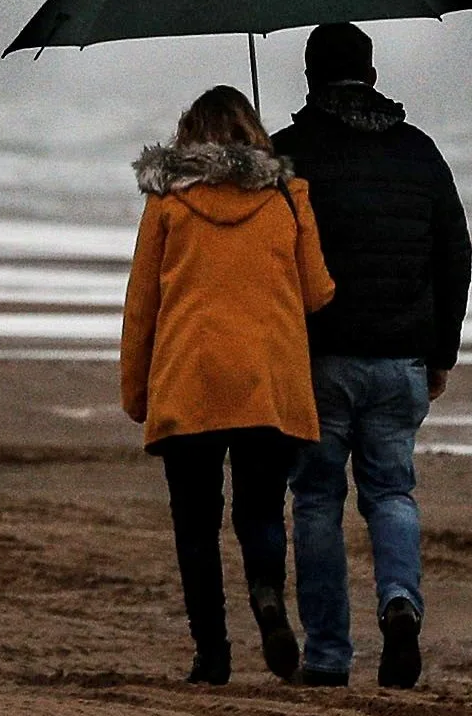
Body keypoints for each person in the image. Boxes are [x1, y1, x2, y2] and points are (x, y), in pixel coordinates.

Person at [272, 21, 471, 690]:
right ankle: (400, 603)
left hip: (318, 357)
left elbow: (262, 262)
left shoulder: (289, 154)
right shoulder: (419, 152)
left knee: (318, 499)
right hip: (400, 358)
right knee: (392, 491)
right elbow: (454, 254)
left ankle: (328, 655)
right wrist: (441, 348)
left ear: (308, 79)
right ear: (373, 75)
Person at [118, 84, 337, 684]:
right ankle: (266, 595)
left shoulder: (167, 202)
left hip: (189, 379)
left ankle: (211, 654)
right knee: (261, 511)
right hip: (266, 381)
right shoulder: (288, 197)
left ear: (189, 136)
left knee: (195, 525)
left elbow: (143, 304)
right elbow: (316, 290)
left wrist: (136, 393)